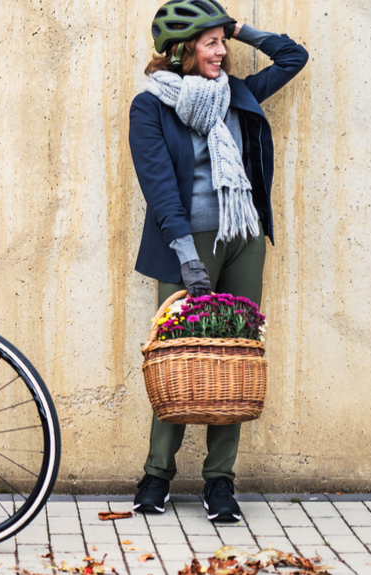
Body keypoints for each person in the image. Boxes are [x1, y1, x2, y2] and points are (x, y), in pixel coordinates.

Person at [127, 0, 307, 522]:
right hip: (189, 242)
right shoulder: (151, 106)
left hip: (244, 235)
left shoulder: (238, 92)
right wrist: (187, 257)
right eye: (211, 43)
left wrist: (239, 27)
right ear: (183, 50)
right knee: (177, 354)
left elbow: (293, 57)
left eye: (222, 42)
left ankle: (220, 480)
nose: (222, 51)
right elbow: (160, 187)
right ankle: (157, 474)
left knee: (236, 354)